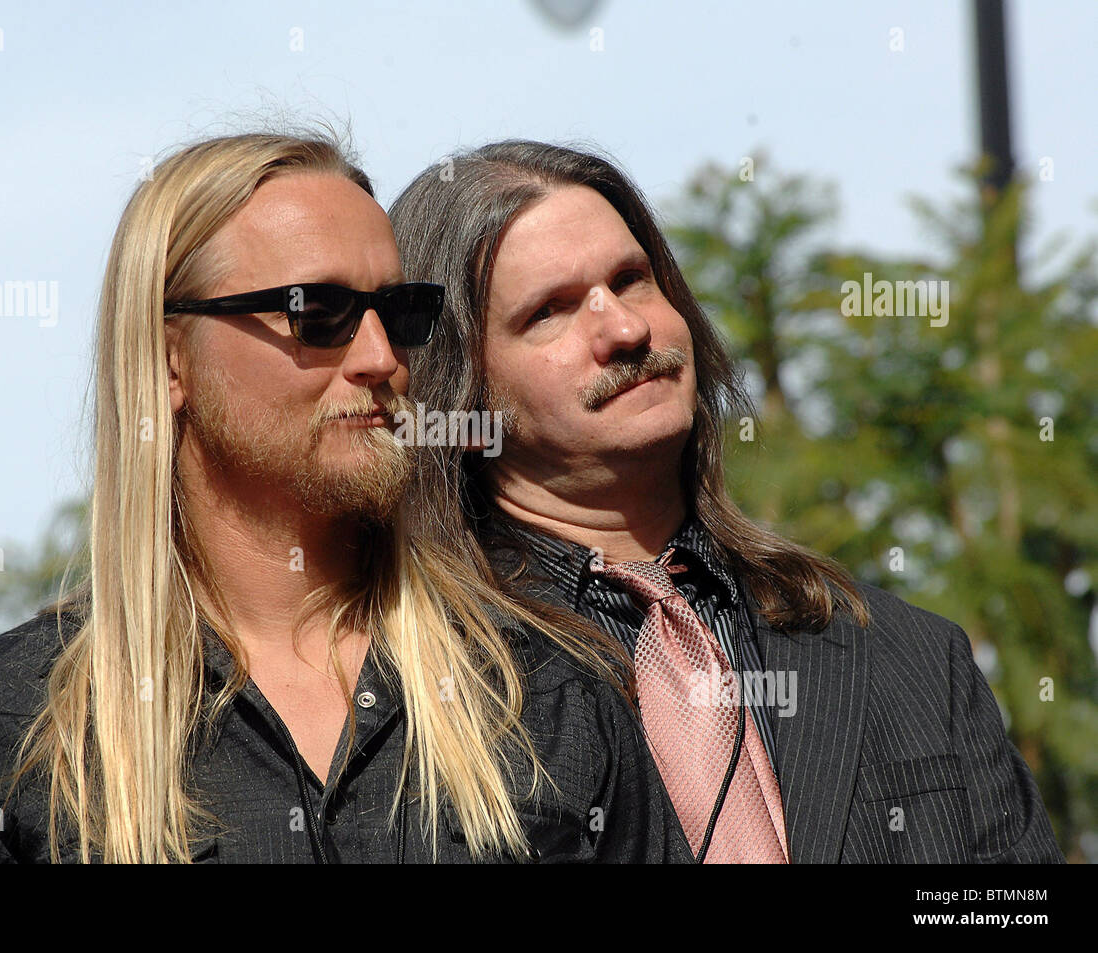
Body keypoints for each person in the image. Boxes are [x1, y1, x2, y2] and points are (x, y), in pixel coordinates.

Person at [0, 132, 671, 864]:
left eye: (399, 311)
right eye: (314, 312)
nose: (380, 356)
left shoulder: (548, 694)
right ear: (168, 361)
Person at [388, 139, 1065, 863]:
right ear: (454, 390)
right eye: (549, 311)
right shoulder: (404, 690)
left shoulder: (913, 657)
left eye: (632, 279)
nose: (624, 329)